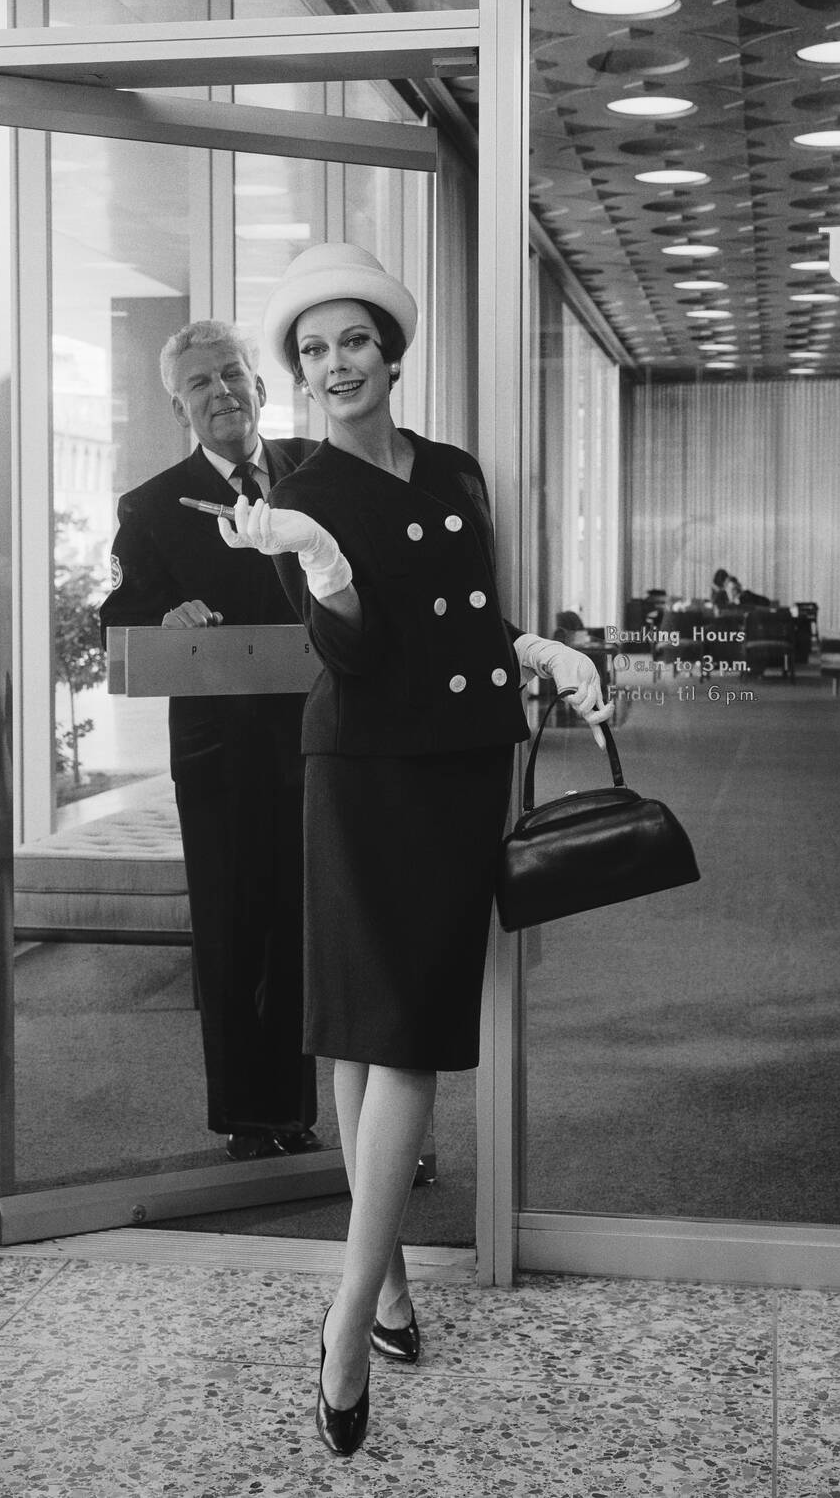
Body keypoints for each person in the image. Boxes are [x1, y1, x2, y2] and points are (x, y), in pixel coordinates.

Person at [214, 243, 612, 1457]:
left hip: (456, 770)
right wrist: (318, 564)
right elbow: (351, 651)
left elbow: (469, 607)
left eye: (355, 342)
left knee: (400, 1031)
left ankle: (376, 1284)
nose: (336, 365)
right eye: (314, 350)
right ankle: (353, 1313)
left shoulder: (453, 469)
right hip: (360, 768)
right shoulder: (295, 486)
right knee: (369, 1031)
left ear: (392, 351)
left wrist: (535, 650)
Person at [97, 320, 320, 1161]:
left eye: (232, 375)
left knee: (310, 927)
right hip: (222, 755)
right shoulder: (151, 506)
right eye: (200, 384)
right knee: (234, 930)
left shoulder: (319, 471)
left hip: (326, 739)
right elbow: (116, 615)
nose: (221, 392)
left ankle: (300, 1112)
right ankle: (247, 1115)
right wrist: (166, 613)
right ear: (179, 406)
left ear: (260, 385)